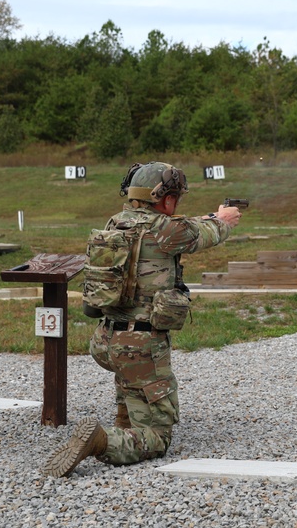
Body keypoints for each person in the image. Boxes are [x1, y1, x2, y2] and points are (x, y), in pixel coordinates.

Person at [41, 162, 242, 476]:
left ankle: (125, 422)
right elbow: (205, 232)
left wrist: (210, 218)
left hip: (106, 340)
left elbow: (185, 225)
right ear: (165, 197)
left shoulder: (115, 222)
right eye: (175, 196)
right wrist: (224, 219)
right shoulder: (167, 230)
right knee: (158, 438)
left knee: (132, 379)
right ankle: (103, 441)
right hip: (141, 345)